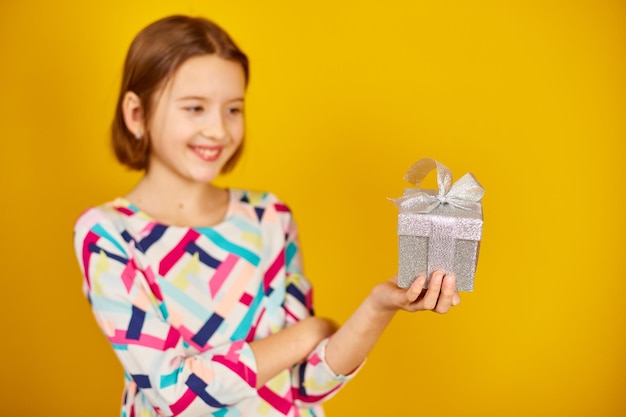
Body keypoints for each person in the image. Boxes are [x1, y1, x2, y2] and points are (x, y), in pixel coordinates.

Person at [72, 14, 460, 417]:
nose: (219, 130)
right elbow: (178, 395)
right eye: (195, 108)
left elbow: (306, 383)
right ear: (136, 114)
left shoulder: (269, 217)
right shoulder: (107, 233)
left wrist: (379, 305)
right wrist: (310, 332)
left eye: (233, 109)